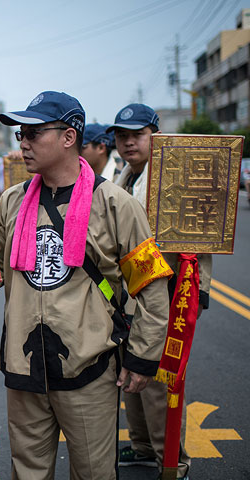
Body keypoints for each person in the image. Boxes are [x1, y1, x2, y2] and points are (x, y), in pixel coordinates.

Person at [0, 91, 171, 480]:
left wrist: (143, 356)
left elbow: (151, 285)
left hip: (88, 369)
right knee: (27, 473)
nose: (23, 143)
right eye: (20, 135)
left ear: (68, 137)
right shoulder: (11, 202)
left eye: (33, 133)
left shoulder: (115, 205)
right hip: (24, 368)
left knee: (93, 472)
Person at [109, 103, 212, 480]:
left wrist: (198, 294)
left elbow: (199, 239)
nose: (129, 142)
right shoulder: (125, 176)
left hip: (166, 297)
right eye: (122, 135)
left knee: (159, 383)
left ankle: (173, 462)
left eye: (137, 134)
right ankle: (141, 447)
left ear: (156, 134)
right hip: (128, 299)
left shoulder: (174, 177)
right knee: (131, 376)